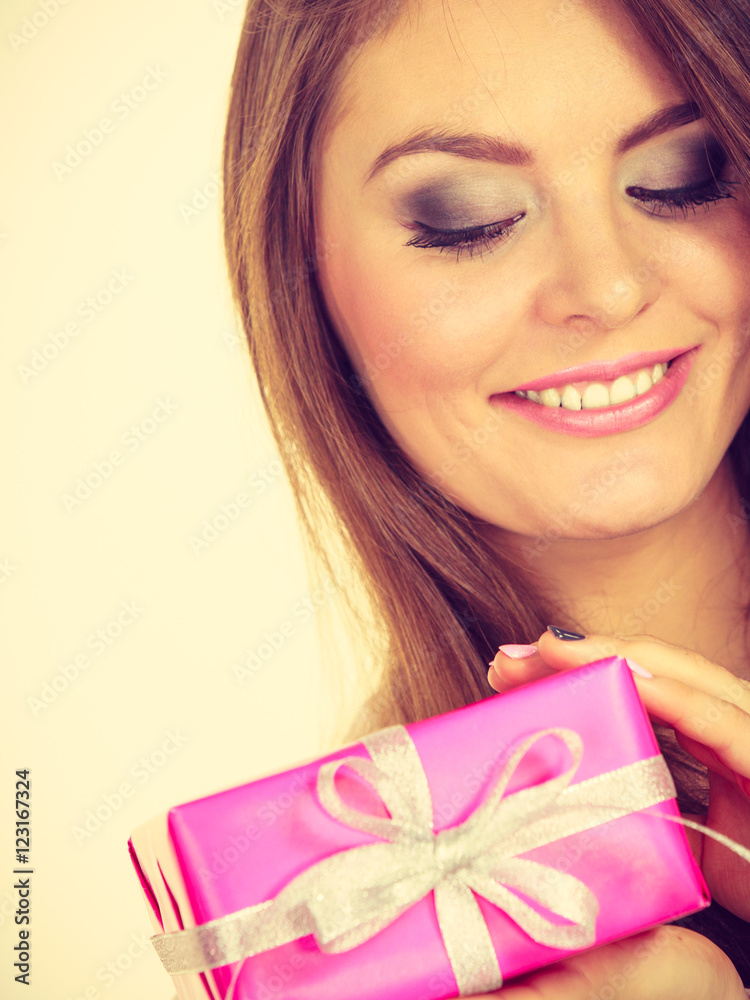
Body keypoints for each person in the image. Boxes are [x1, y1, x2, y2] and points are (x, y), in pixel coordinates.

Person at [222, 0, 750, 994]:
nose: (608, 286)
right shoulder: (347, 919)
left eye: (687, 176)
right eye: (470, 219)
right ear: (303, 266)